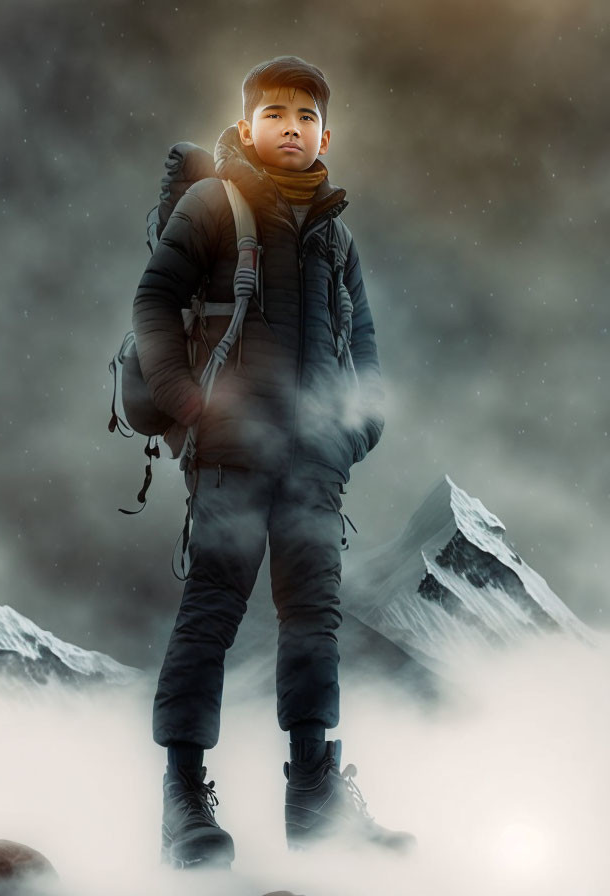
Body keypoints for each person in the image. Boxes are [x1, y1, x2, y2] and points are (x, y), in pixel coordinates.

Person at [132, 55, 415, 869]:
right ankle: (184, 800)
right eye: (274, 115)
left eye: (305, 117)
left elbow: (363, 348)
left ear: (327, 134)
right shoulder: (213, 204)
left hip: (314, 467)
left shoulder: (336, 234)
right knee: (213, 612)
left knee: (313, 621)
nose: (290, 127)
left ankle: (315, 797)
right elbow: (156, 301)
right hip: (230, 450)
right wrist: (190, 404)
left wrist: (354, 434)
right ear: (248, 126)